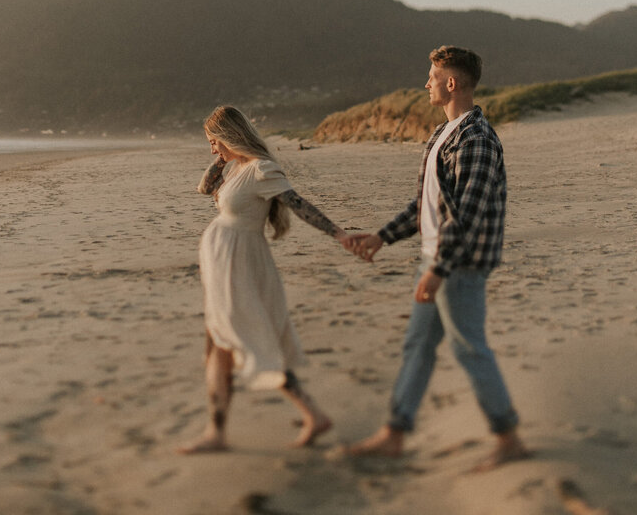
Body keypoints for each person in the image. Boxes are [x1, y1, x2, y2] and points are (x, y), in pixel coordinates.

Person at [345, 46, 529, 471]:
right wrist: (380, 237)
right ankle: (394, 434)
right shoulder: (442, 135)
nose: (425, 83)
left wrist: (438, 270)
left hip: (457, 267)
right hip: (434, 261)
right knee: (418, 348)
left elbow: (464, 216)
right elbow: (427, 206)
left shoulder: (476, 139)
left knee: (469, 349)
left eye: (432, 76)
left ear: (451, 83)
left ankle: (509, 437)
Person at [179, 105, 353, 454]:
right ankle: (217, 431)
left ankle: (311, 413)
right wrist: (223, 157)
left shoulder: (261, 169)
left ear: (229, 135)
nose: (212, 148)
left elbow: (297, 204)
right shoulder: (237, 168)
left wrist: (339, 234)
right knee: (217, 342)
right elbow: (204, 188)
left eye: (214, 141)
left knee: (248, 339)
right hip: (223, 261)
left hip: (240, 263)